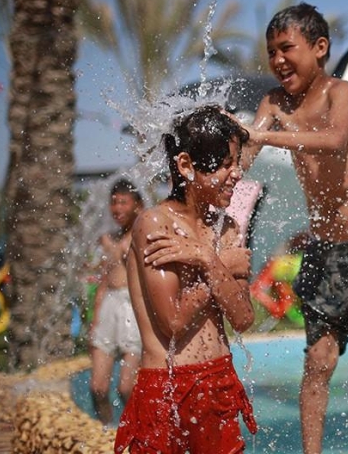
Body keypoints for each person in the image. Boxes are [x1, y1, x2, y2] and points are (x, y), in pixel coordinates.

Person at [240, 2, 348, 454]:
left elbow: (334, 140)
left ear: (320, 47)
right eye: (271, 51)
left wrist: (268, 135)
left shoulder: (340, 93)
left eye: (286, 48)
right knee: (318, 360)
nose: (277, 60)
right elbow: (245, 158)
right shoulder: (273, 103)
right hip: (325, 248)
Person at [114, 105, 258, 453]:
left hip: (219, 380)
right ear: (185, 166)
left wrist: (206, 258)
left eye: (236, 163)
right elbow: (173, 321)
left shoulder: (226, 226)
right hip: (168, 387)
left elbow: (243, 318)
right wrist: (217, 263)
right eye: (225, 164)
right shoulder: (154, 224)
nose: (236, 174)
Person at [88, 178, 144, 424]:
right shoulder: (110, 238)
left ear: (137, 206)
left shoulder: (141, 236)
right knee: (98, 388)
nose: (117, 208)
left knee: (126, 388)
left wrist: (117, 249)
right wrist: (95, 318)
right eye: (114, 202)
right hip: (109, 306)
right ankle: (106, 434)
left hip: (132, 308)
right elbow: (104, 281)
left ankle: (142, 436)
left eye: (123, 202)